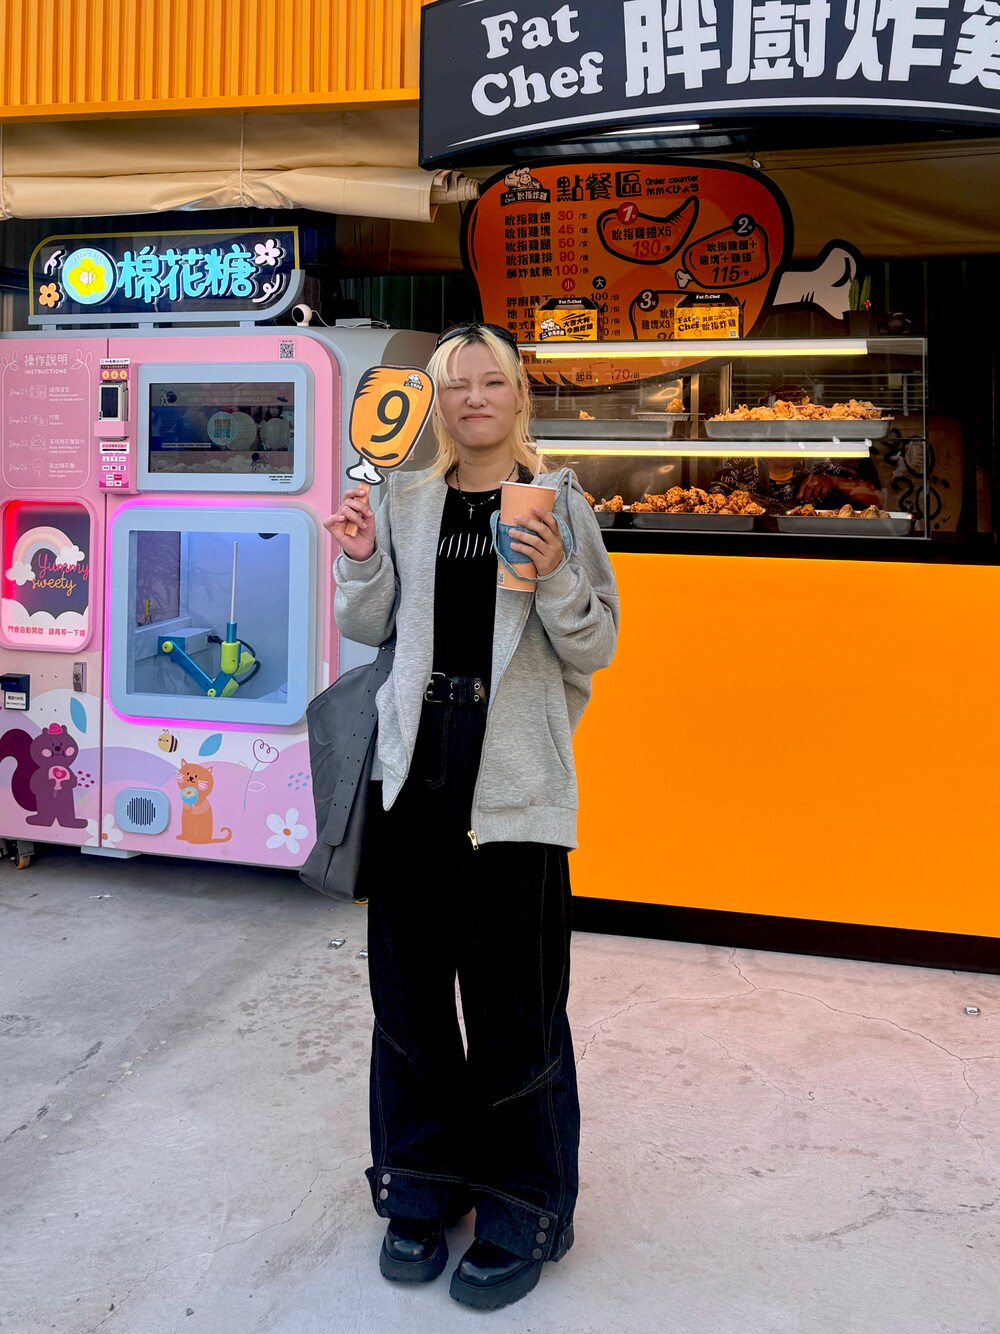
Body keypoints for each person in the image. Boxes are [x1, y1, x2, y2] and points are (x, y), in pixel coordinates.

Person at [324, 322, 619, 1312]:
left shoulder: (559, 501)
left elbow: (597, 645)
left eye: (493, 382)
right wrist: (360, 559)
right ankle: (421, 1181)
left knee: (512, 1003)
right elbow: (367, 625)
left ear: (519, 396)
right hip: (414, 768)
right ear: (438, 401)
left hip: (513, 774)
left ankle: (522, 1202)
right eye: (458, 383)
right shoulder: (404, 498)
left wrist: (559, 570)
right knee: (408, 995)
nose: (475, 397)